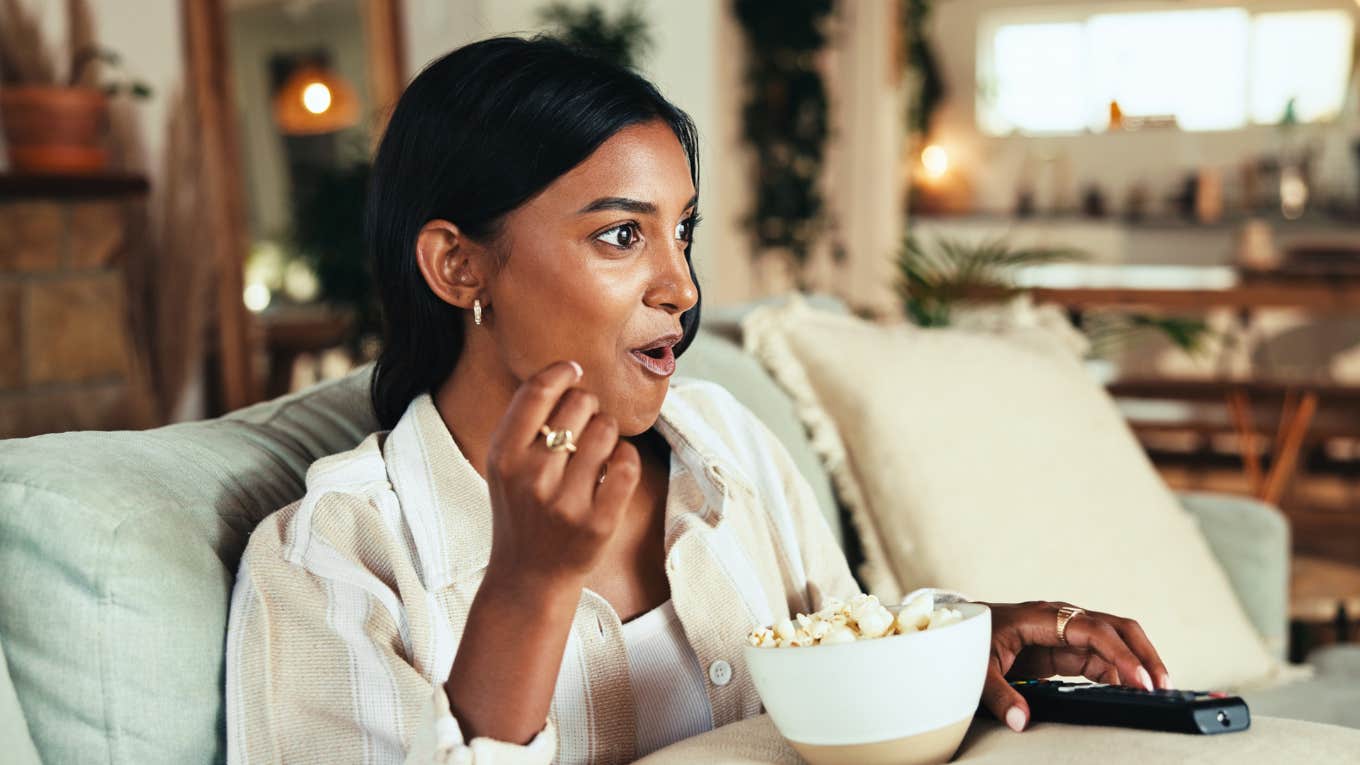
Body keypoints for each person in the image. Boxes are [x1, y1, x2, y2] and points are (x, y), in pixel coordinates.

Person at [225, 36, 1171, 765]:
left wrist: (956, 648)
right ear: (457, 263)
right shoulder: (335, 559)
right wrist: (528, 587)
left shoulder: (727, 444)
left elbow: (839, 662)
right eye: (619, 235)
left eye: (681, 231)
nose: (680, 285)